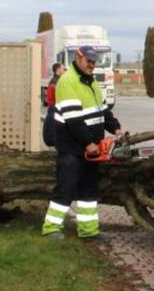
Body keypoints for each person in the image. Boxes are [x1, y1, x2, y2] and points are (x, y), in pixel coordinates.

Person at [40, 47, 121, 241]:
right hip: (71, 148)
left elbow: (102, 110)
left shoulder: (92, 82)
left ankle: (89, 231)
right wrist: (88, 143)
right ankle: (51, 227)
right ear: (78, 58)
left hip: (90, 148)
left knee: (89, 190)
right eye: (89, 61)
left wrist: (115, 128)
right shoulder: (68, 82)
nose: (92, 65)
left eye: (95, 62)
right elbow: (74, 120)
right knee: (66, 187)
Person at [42, 62, 65, 147]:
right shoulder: (57, 82)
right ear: (58, 70)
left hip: (54, 107)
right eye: (63, 68)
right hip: (55, 108)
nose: (64, 70)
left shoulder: (55, 81)